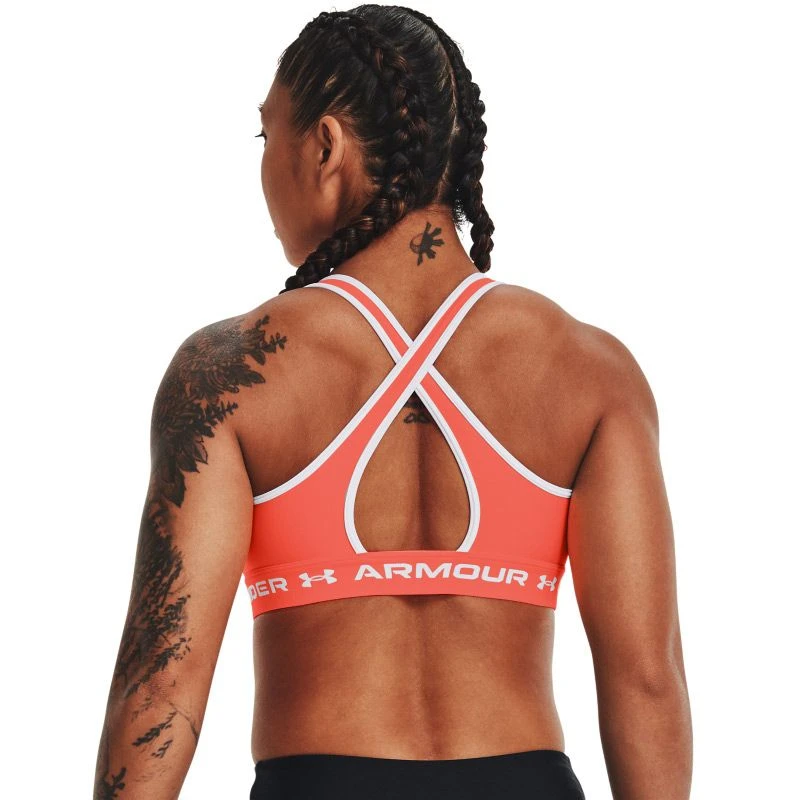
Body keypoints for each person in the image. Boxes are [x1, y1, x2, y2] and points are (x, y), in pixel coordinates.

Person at [93, 5, 692, 799]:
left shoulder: (229, 372)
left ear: (326, 147)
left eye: (266, 134)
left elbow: (161, 684)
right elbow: (647, 682)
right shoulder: (589, 370)